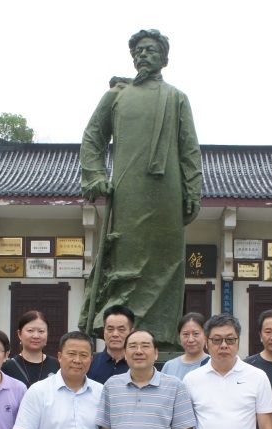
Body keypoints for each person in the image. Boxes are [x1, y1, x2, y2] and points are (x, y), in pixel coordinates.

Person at [79, 29, 202, 350]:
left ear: (164, 58)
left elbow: (189, 148)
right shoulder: (116, 96)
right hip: (128, 191)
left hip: (168, 192)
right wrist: (95, 175)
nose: (144, 55)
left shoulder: (176, 97)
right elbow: (92, 137)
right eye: (139, 51)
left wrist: (192, 189)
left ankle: (163, 337)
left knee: (167, 261)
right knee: (126, 261)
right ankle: (120, 332)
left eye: (150, 49)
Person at [87, 304, 134, 384]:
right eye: (110, 329)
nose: (115, 334)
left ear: (131, 332)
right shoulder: (89, 362)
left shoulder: (138, 365)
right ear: (104, 331)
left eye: (121, 329)